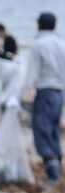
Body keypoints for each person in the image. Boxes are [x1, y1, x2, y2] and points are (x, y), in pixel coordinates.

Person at [19, 12, 65, 183]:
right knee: (54, 130)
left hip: (45, 92)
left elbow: (31, 76)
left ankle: (53, 174)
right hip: (59, 93)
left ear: (38, 25)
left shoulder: (39, 45)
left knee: (42, 131)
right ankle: (58, 168)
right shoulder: (61, 44)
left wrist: (19, 97)